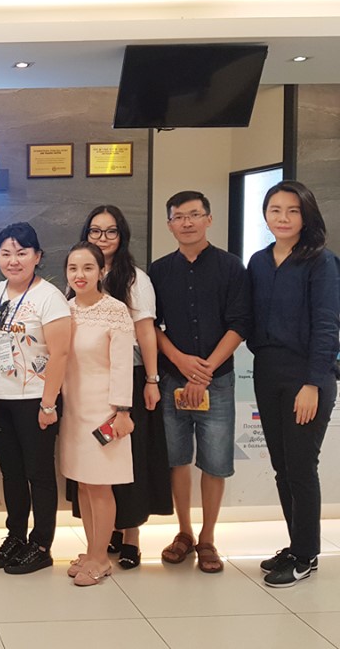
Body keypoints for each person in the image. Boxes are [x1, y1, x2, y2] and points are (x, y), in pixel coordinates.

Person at [149, 191, 250, 573]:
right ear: (169, 224)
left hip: (217, 380)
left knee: (215, 462)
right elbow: (151, 326)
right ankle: (185, 532)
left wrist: (204, 371)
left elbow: (240, 324)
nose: (187, 222)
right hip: (172, 378)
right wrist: (180, 361)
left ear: (209, 219)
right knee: (176, 460)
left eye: (194, 215)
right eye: (179, 216)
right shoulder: (159, 271)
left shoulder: (231, 267)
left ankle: (208, 538)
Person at [247, 181, 339, 588]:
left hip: (307, 376)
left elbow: (327, 326)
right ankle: (297, 544)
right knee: (282, 468)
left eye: (292, 210)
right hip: (268, 372)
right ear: (265, 215)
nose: (282, 218)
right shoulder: (259, 261)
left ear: (306, 215)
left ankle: (306, 555)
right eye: (275, 210)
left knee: (301, 467)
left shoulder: (321, 261)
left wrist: (314, 383)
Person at [70, 205, 172, 569]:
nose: (103, 238)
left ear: (122, 235)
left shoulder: (134, 279)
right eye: (95, 231)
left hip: (127, 379)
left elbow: (146, 332)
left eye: (110, 231)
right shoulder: (79, 274)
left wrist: (151, 379)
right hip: (86, 383)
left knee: (126, 461)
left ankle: (130, 535)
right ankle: (103, 537)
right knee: (94, 469)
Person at [0, 222, 71, 575]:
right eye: (6, 253)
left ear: (37, 256)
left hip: (36, 399)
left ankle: (41, 544)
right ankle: (16, 536)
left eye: (21, 253)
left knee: (39, 473)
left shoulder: (49, 297)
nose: (13, 260)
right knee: (12, 474)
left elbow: (60, 354)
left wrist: (49, 404)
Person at [60, 242, 135, 586]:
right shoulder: (65, 309)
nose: (80, 275)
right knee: (83, 484)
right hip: (73, 410)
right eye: (73, 268)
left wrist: (122, 411)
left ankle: (102, 559)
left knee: (100, 485)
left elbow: (122, 365)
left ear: (102, 271)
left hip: (104, 412)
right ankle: (92, 551)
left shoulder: (115, 311)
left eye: (88, 268)